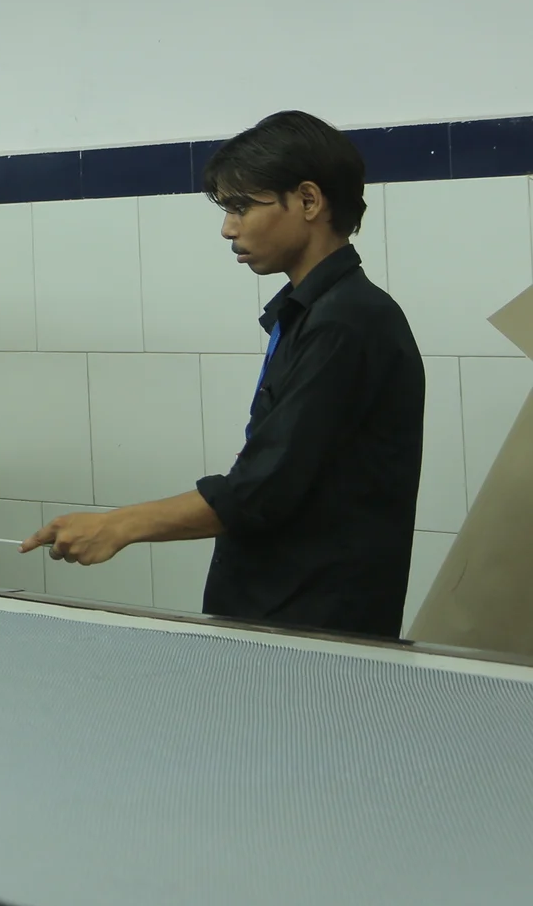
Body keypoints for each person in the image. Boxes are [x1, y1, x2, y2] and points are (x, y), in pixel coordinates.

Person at [22, 111, 423, 637]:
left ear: (308, 201)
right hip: (276, 608)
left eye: (241, 207)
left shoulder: (347, 323)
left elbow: (263, 489)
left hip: (315, 624)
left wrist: (119, 525)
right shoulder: (312, 313)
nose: (228, 228)